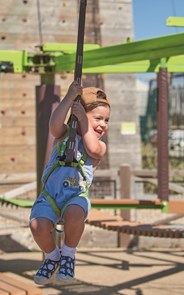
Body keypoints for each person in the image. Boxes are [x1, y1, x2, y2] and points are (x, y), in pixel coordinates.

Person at [29, 81, 110, 284]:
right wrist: (68, 98)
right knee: (37, 226)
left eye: (106, 120)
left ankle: (68, 254)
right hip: (50, 195)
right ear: (79, 114)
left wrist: (84, 119)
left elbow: (91, 147)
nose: (103, 124)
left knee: (75, 213)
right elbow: (54, 125)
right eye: (98, 118)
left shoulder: (100, 146)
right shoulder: (64, 134)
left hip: (75, 195)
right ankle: (52, 256)